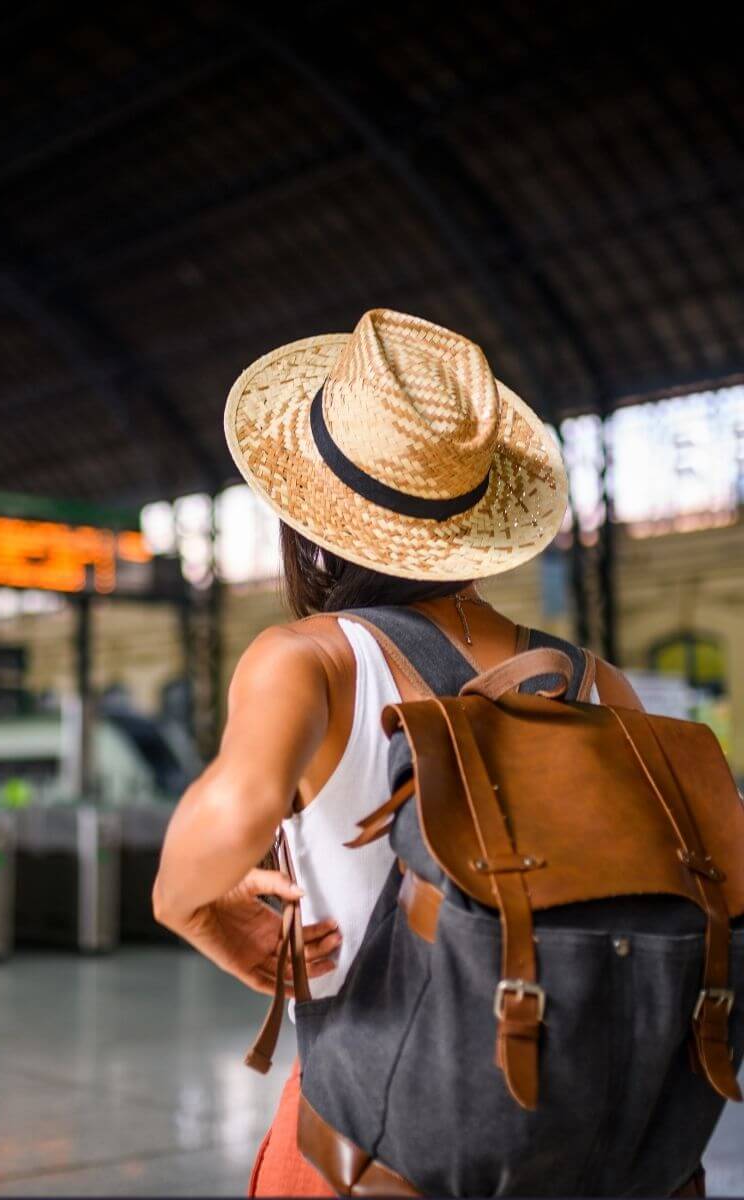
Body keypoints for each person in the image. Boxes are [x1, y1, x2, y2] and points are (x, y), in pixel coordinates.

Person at [151, 309, 643, 1196]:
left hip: (371, 1141)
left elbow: (219, 827)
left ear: (307, 511)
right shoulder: (601, 682)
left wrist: (200, 910)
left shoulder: (313, 659)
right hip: (585, 1141)